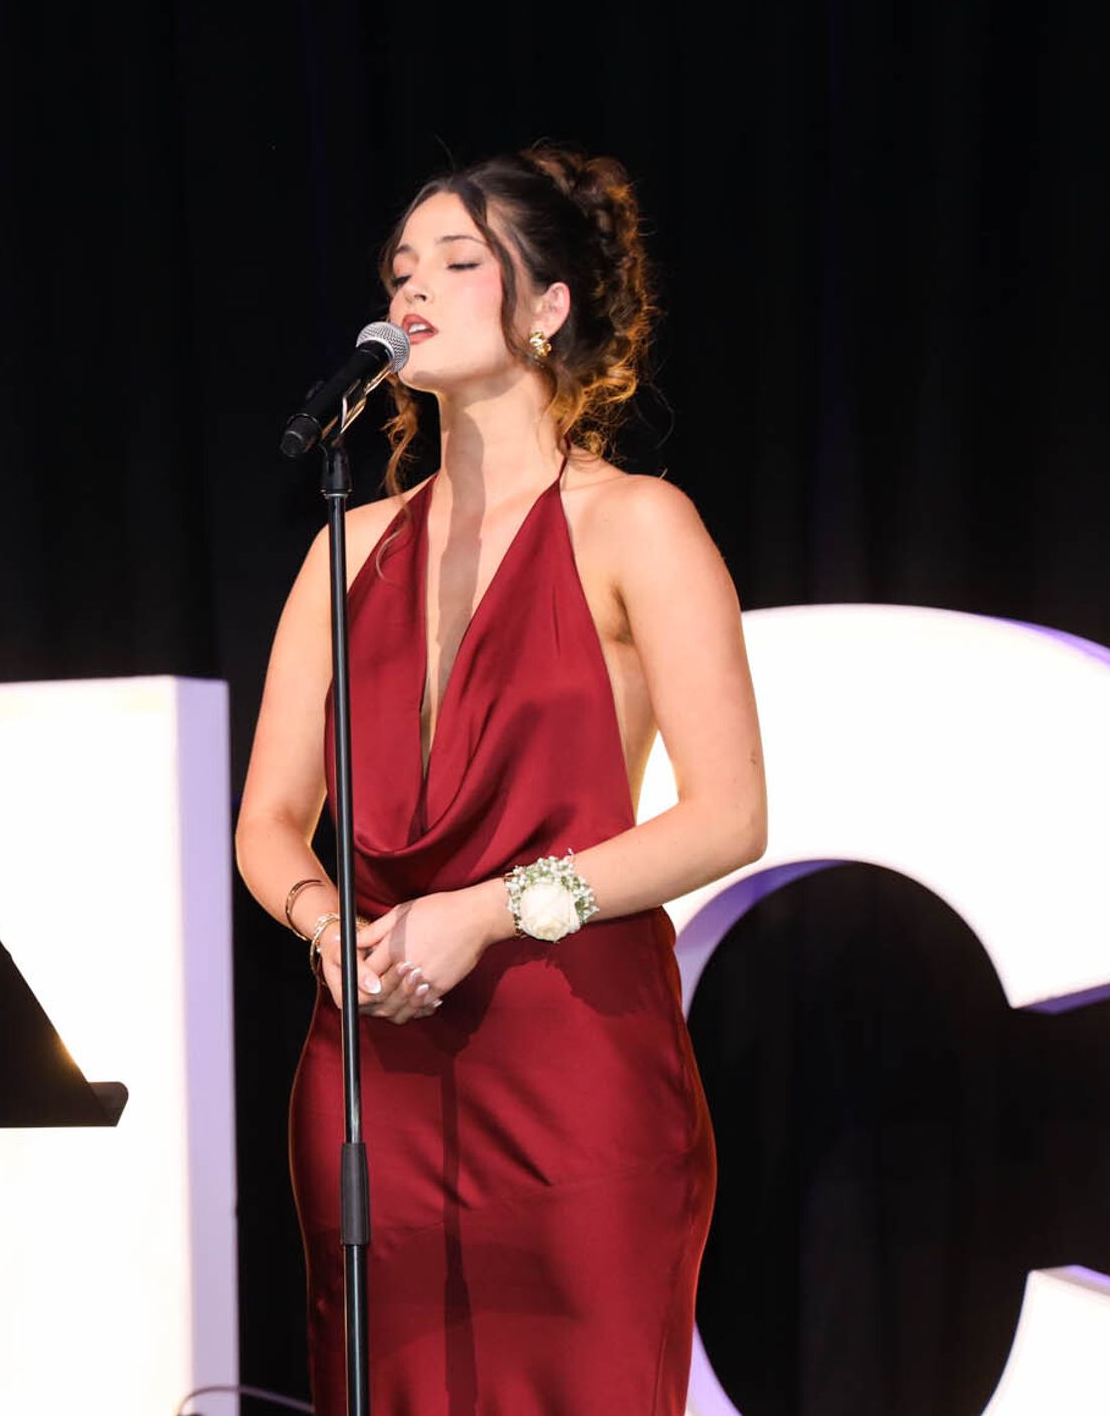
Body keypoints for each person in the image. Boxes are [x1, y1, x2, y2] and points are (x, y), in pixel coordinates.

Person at [236, 146, 767, 1413]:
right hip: (374, 1062)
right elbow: (270, 819)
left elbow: (729, 815)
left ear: (547, 305)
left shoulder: (637, 523)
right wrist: (327, 926)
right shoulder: (347, 543)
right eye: (399, 269)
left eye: (456, 261)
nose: (411, 287)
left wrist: (486, 910)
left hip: (571, 1067)